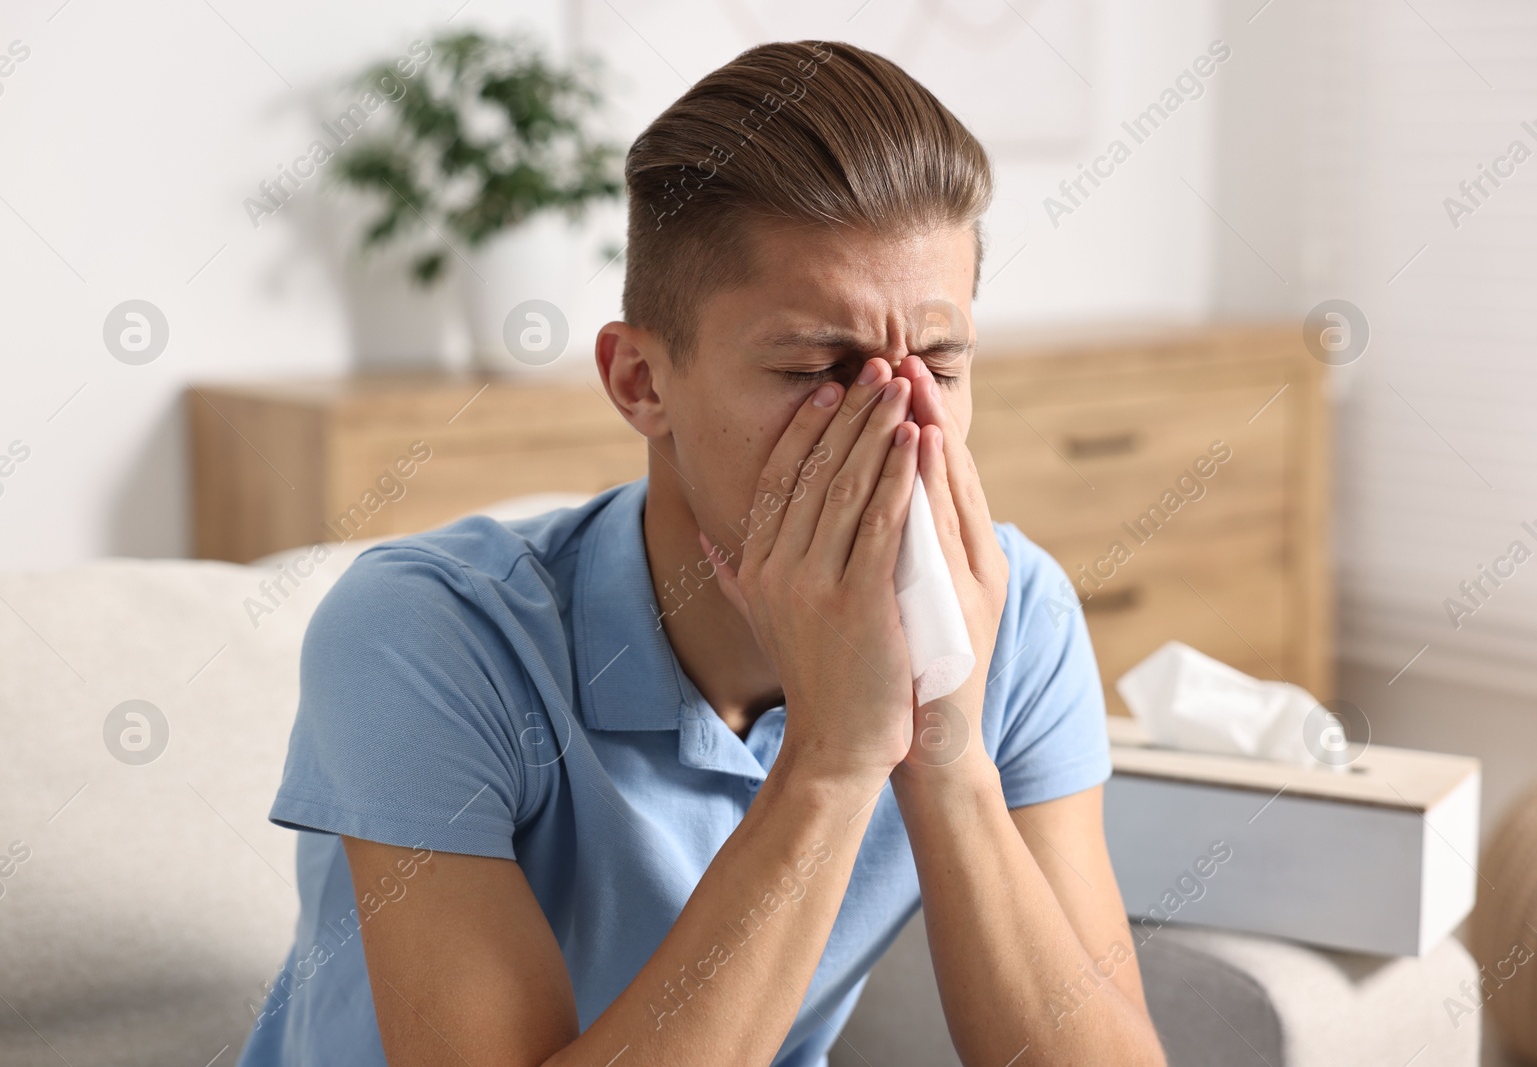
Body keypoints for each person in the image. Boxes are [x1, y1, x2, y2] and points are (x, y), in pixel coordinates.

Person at [238, 38, 1165, 1067]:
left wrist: (944, 747)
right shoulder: (423, 634)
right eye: (819, 366)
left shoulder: (1013, 613)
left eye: (939, 363)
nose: (901, 424)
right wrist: (832, 758)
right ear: (640, 381)